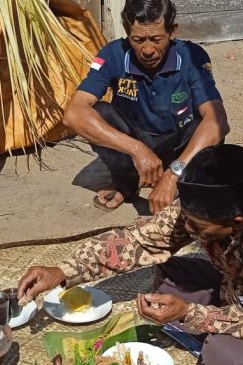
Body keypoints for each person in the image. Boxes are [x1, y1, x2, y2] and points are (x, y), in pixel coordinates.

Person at [17, 144, 243, 365]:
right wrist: (63, 271)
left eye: (199, 228)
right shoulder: (202, 208)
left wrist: (187, 314)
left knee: (221, 356)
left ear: (236, 222)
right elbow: (137, 241)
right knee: (169, 272)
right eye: (186, 220)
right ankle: (219, 310)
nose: (188, 230)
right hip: (236, 291)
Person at [62, 0, 229, 214]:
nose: (147, 49)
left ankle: (178, 182)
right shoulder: (113, 54)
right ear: (127, 33)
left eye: (156, 39)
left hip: (178, 144)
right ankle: (126, 182)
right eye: (138, 40)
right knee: (98, 113)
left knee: (207, 126)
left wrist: (172, 175)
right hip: (135, 141)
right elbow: (74, 114)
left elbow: (218, 122)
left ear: (172, 32)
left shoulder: (192, 56)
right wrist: (137, 150)